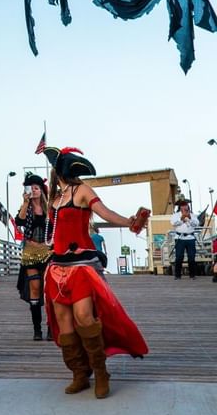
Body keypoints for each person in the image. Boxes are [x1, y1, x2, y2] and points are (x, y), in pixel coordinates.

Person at [42, 146, 148, 399]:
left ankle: (101, 372)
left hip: (81, 265)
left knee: (84, 317)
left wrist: (129, 222)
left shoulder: (82, 191)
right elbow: (49, 235)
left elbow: (105, 213)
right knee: (65, 324)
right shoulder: (53, 200)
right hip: (56, 267)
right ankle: (80, 373)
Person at [15, 172, 51, 341]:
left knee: (49, 289)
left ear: (41, 190)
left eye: (37, 188)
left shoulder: (49, 209)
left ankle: (52, 328)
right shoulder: (27, 207)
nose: (34, 191)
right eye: (31, 188)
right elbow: (20, 221)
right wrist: (25, 202)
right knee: (35, 288)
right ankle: (37, 329)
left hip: (48, 251)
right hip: (30, 251)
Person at [170, 196, 198, 279]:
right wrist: (181, 219)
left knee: (192, 257)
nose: (184, 207)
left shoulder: (192, 215)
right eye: (182, 205)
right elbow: (173, 223)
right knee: (179, 256)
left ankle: (192, 275)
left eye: (185, 205)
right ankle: (177, 275)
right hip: (180, 238)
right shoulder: (175, 215)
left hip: (190, 238)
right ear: (180, 207)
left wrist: (190, 218)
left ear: (187, 206)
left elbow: (196, 224)